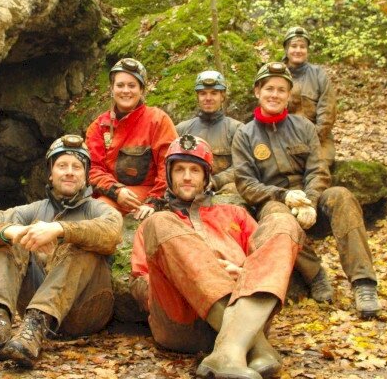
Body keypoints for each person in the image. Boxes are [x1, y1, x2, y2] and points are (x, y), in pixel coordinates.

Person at [131, 135, 305, 379]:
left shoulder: (235, 214)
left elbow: (264, 264)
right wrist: (194, 279)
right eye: (179, 170)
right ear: (169, 176)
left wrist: (241, 272)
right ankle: (257, 348)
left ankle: (228, 351)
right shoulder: (158, 224)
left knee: (283, 221)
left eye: (195, 170)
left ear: (206, 177)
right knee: (158, 221)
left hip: (246, 313)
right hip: (182, 322)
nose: (188, 176)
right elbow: (141, 283)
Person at [233, 62, 380, 319]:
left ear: (289, 95)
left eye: (281, 90)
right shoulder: (245, 135)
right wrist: (283, 196)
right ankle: (315, 274)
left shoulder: (304, 127)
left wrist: (309, 202)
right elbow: (246, 183)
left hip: (309, 199)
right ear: (257, 92)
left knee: (342, 197)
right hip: (273, 201)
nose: (275, 95)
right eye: (269, 89)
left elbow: (318, 170)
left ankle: (364, 283)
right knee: (280, 218)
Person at [0, 135, 123, 368]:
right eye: (62, 166)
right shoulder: (32, 210)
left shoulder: (98, 209)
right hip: (31, 307)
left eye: (76, 167)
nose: (69, 172)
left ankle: (37, 323)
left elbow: (112, 233)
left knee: (80, 242)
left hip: (86, 312)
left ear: (86, 175)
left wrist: (59, 229)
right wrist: (14, 232)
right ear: (50, 173)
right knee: (5, 239)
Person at [86, 57, 177, 220]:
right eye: (120, 85)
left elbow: (169, 164)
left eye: (132, 85)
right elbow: (93, 168)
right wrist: (116, 191)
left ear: (141, 90)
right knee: (94, 211)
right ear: (112, 89)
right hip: (112, 195)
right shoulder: (99, 126)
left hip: (148, 191)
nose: (125, 90)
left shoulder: (158, 120)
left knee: (99, 212)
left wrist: (154, 201)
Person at [175, 69, 244, 193]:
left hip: (225, 191)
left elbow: (242, 166)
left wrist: (214, 181)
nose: (208, 98)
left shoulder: (237, 129)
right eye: (203, 93)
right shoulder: (181, 129)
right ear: (197, 96)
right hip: (189, 191)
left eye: (213, 93)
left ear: (222, 96)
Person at [282, 26, 337, 168]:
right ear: (286, 49)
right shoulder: (276, 73)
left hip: (318, 140)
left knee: (317, 168)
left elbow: (327, 113)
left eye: (302, 46)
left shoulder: (319, 75)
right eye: (294, 46)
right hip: (281, 138)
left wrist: (312, 141)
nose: (298, 50)